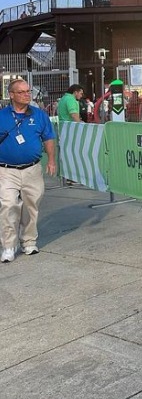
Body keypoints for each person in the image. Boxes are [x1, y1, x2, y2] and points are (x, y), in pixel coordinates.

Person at [0, 79, 57, 263]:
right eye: (22, 92)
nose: (27, 95)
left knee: (31, 206)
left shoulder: (39, 115)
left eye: (28, 91)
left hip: (32, 169)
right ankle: (9, 246)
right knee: (8, 205)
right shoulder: (2, 116)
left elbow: (48, 137)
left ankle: (29, 241)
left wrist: (51, 160)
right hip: (6, 171)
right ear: (11, 95)